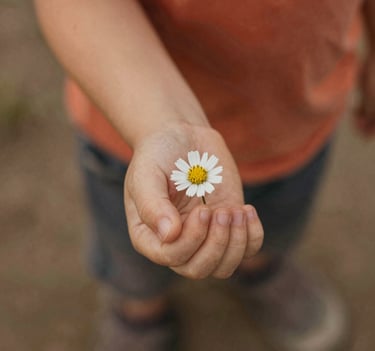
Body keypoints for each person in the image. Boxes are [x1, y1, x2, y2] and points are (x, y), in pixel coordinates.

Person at [34, 1, 375, 350]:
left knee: (271, 223)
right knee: (135, 249)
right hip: (132, 126)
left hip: (299, 118)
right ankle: (139, 311)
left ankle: (260, 269)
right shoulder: (186, 168)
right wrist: (163, 123)